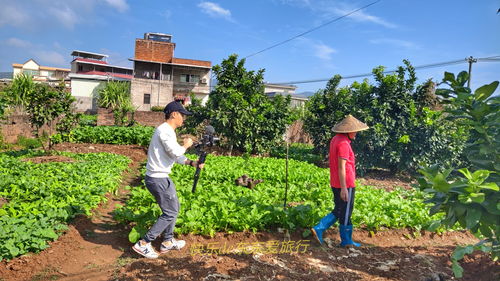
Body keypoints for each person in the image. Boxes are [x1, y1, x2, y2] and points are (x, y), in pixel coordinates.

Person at [132, 101, 204, 259]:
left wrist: (192, 163)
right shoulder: (164, 130)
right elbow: (175, 150)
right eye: (182, 115)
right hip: (158, 178)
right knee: (170, 212)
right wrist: (185, 145)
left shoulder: (168, 131)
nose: (184, 119)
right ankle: (143, 243)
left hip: (161, 177)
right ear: (174, 114)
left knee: (174, 208)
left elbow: (174, 155)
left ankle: (167, 241)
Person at [311, 115, 369, 247]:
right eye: (355, 131)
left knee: (339, 209)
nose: (356, 133)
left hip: (335, 182)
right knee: (346, 211)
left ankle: (321, 228)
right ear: (348, 131)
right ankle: (345, 240)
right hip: (345, 183)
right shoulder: (343, 144)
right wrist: (344, 188)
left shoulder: (336, 139)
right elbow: (342, 167)